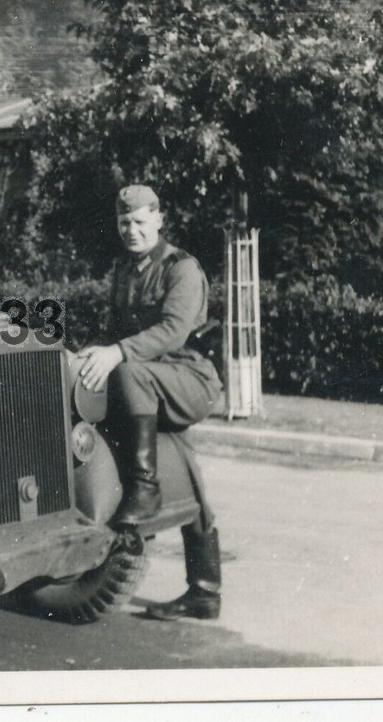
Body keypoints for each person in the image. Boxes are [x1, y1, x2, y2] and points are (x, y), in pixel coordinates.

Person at [75, 184, 224, 621]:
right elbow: (118, 331)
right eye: (124, 222)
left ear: (159, 220)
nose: (132, 230)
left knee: (127, 371)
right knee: (187, 473)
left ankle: (144, 489)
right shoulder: (125, 269)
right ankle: (205, 591)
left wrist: (116, 354)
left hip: (189, 378)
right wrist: (92, 352)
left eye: (140, 221)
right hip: (151, 381)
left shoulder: (182, 268)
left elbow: (172, 333)